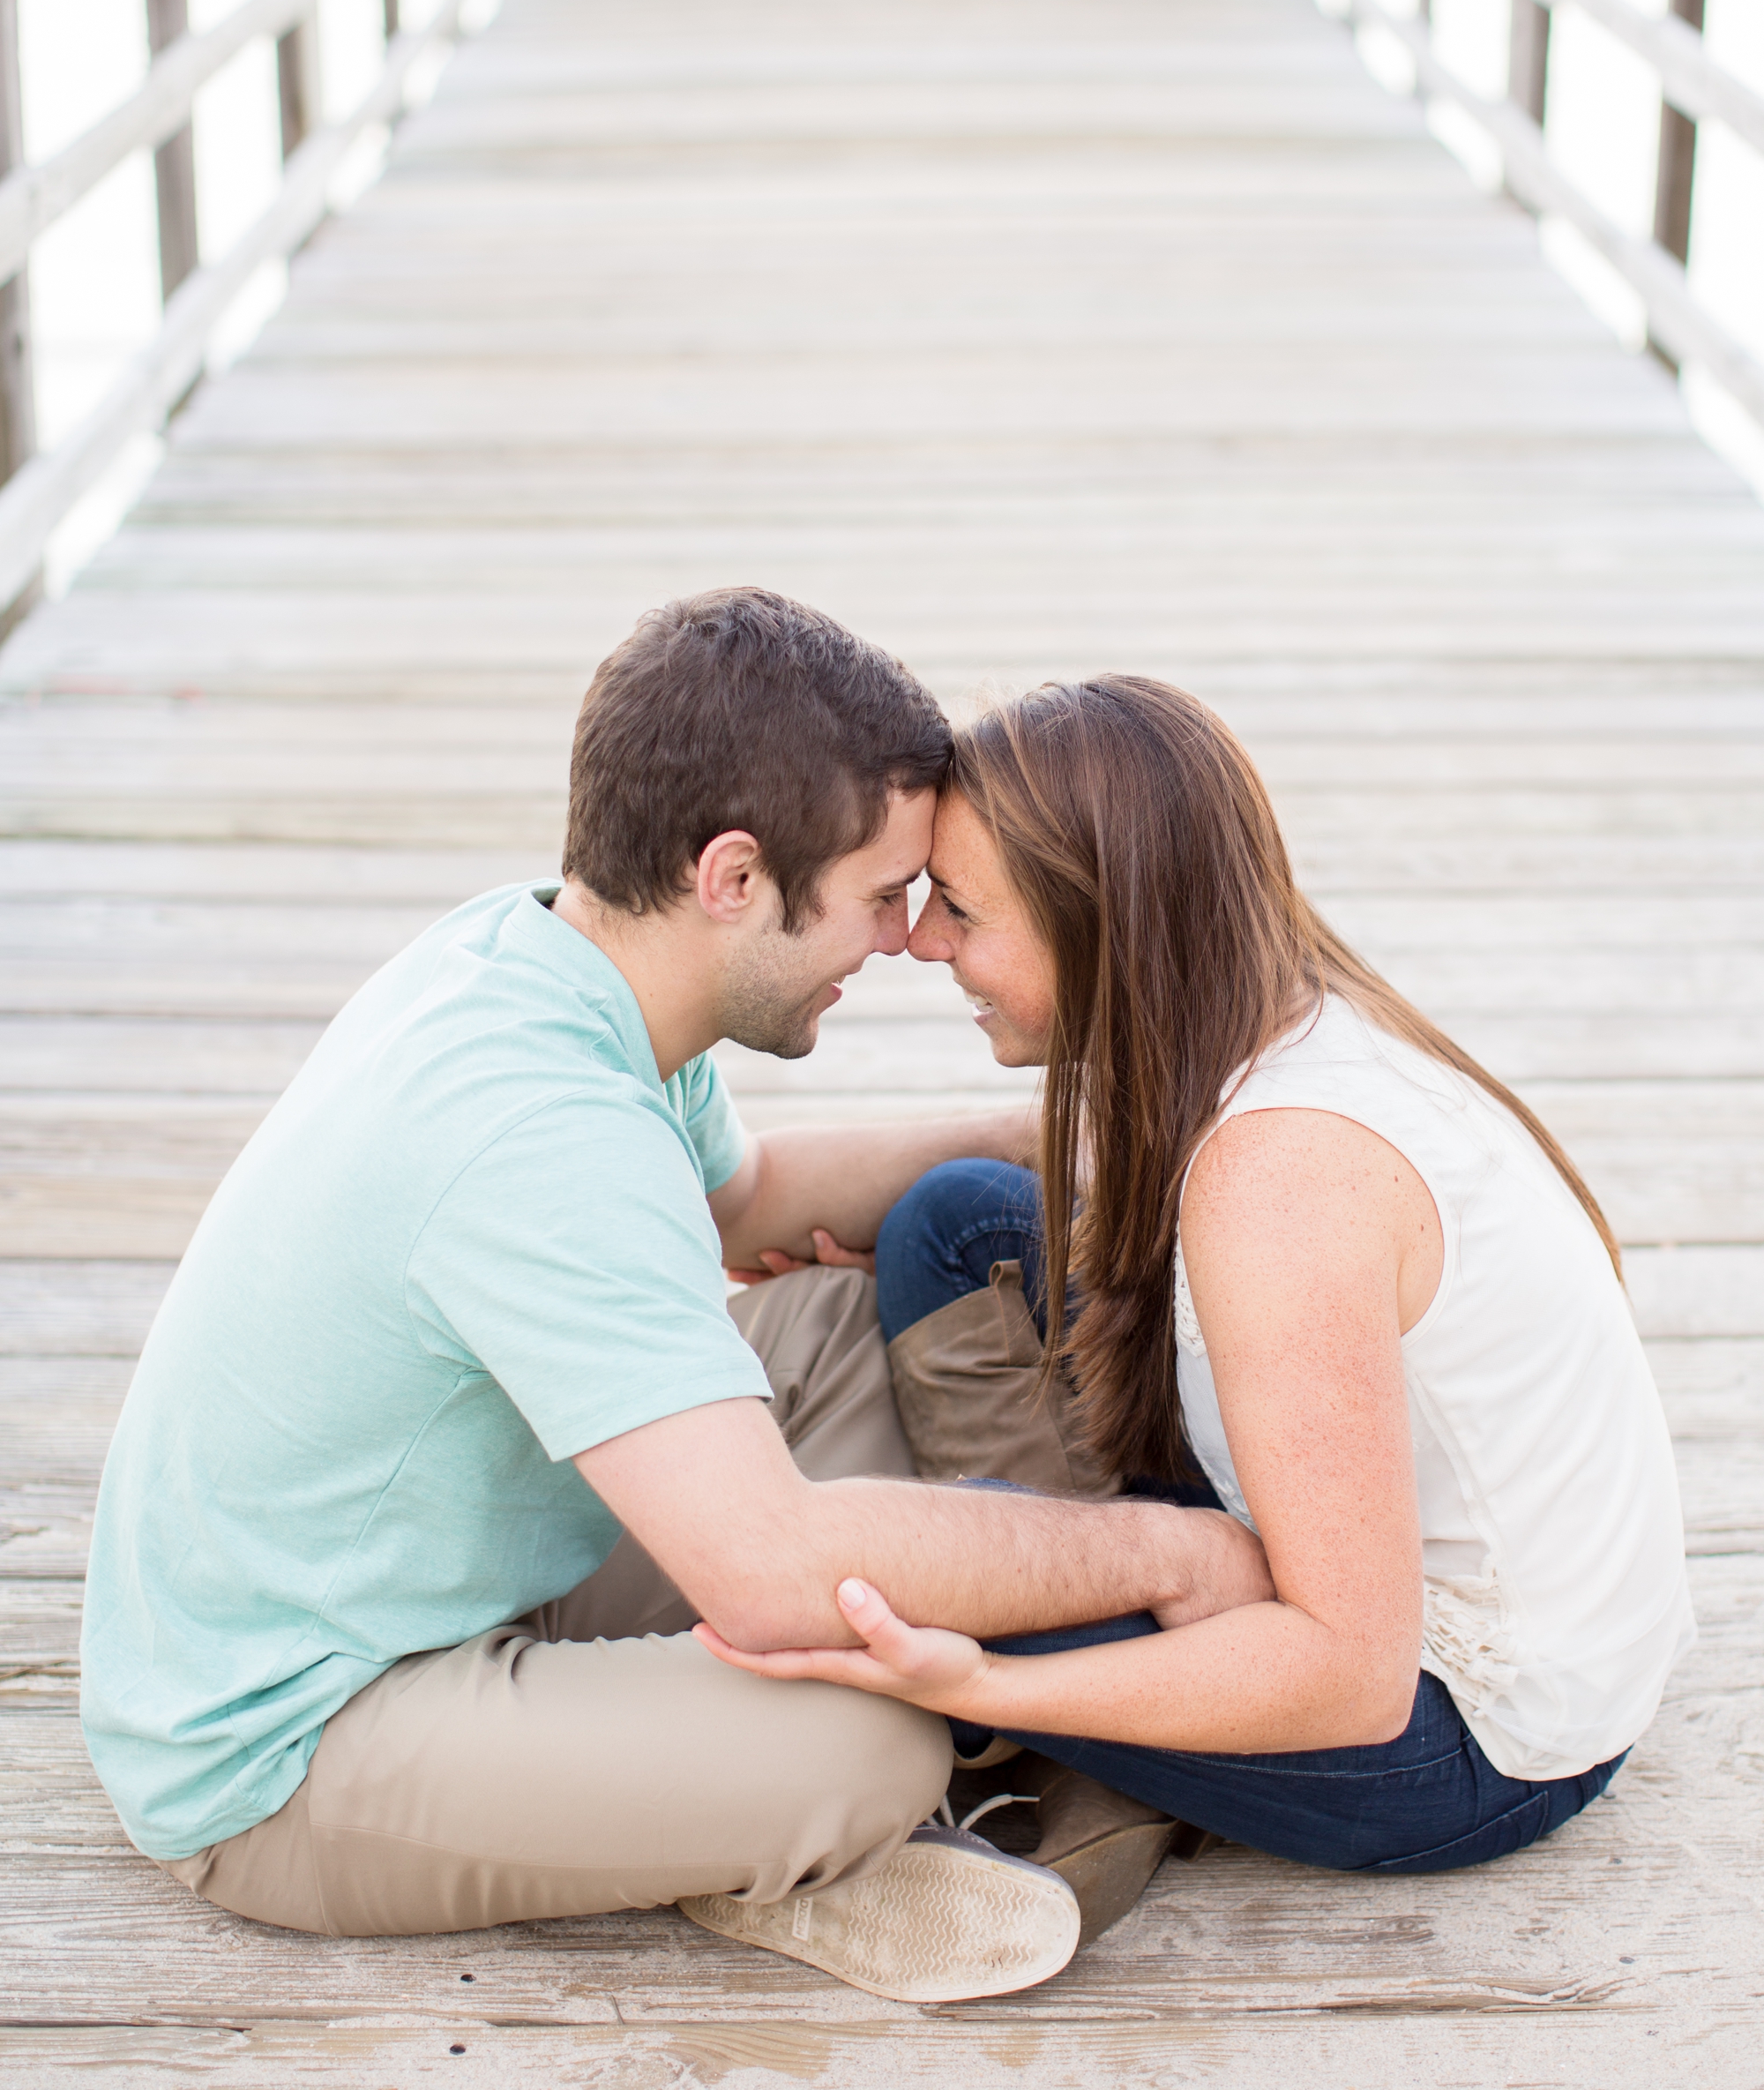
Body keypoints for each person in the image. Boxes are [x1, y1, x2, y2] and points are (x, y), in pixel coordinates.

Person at [79, 596, 1272, 2006]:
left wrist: (1050, 1138)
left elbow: (735, 1204)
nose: (903, 939)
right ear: (733, 878)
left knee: (853, 1326)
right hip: (297, 1736)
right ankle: (767, 1835)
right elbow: (769, 1578)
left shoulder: (562, 962)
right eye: (882, 893)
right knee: (868, 1743)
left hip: (475, 1536)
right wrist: (1166, 1556)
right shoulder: (535, 1133)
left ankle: (694, 1774)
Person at [700, 674, 1696, 1881]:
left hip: (1459, 1728)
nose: (922, 940)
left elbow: (1350, 1679)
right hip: (1375, 1598)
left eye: (960, 909)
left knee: (902, 1592)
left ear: (1099, 925)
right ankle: (1088, 1641)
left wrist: (995, 1675)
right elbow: (824, 1189)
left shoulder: (1280, 1179)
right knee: (952, 1226)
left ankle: (1048, 1775)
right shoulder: (1253, 1016)